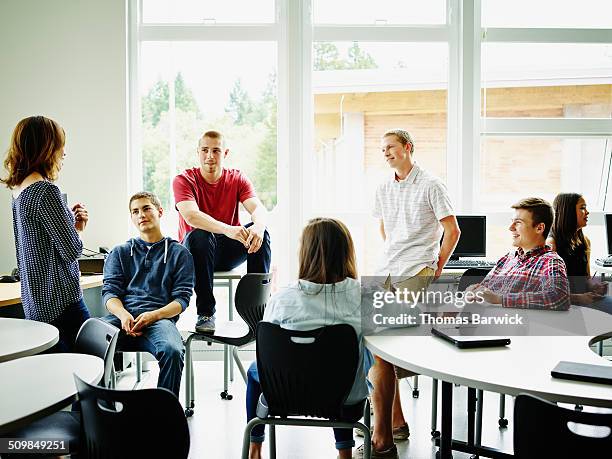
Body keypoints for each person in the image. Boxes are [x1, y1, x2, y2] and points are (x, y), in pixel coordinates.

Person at [362, 129, 460, 458]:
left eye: (390, 147)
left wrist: (436, 266)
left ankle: (386, 433)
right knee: (376, 343)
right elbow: (383, 228)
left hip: (418, 268)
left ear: (408, 148)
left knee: (385, 344)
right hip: (387, 267)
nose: (385, 152)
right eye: (382, 148)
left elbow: (452, 229)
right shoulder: (383, 187)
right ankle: (395, 423)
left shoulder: (432, 184)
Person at [245, 218, 372, 459]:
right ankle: (345, 452)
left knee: (255, 372)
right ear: (346, 251)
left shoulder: (282, 297)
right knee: (339, 368)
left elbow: (268, 352)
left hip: (283, 396)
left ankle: (255, 448)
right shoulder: (365, 295)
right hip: (345, 402)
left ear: (305, 252)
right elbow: (407, 321)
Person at [1, 115, 90, 352]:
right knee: (92, 367)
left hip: (36, 302)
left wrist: (66, 221)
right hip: (62, 301)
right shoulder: (45, 191)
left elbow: (36, 242)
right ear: (47, 148)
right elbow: (72, 250)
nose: (64, 154)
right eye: (61, 147)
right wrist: (78, 229)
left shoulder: (19, 191)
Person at [173, 130, 271, 334]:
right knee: (201, 234)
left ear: (224, 153)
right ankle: (206, 313)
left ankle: (257, 310)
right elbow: (191, 216)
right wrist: (228, 229)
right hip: (194, 253)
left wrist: (259, 226)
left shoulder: (237, 178)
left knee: (261, 234)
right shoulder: (184, 180)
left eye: (216, 150)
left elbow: (257, 208)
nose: (210, 155)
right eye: (205, 150)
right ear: (198, 152)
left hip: (226, 251)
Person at [101, 191, 194, 397]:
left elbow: (182, 300)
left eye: (146, 208)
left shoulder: (180, 253)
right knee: (89, 338)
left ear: (160, 212)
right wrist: (123, 315)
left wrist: (154, 315)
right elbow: (110, 294)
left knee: (173, 351)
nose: (140, 214)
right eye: (135, 211)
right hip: (123, 320)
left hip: (159, 320)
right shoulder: (120, 252)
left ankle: (163, 415)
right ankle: (91, 413)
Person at [467, 197, 570, 311]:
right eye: (512, 222)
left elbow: (559, 297)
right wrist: (473, 292)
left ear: (539, 228)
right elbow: (484, 291)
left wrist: (499, 299)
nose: (510, 228)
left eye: (518, 223)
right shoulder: (507, 259)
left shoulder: (550, 261)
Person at [548, 193, 612, 314]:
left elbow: (586, 278)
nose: (587, 212)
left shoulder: (585, 241)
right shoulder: (551, 244)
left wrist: (594, 286)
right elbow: (551, 292)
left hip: (586, 297)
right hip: (569, 302)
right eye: (582, 208)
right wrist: (580, 297)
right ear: (568, 212)